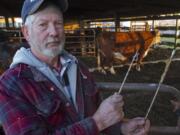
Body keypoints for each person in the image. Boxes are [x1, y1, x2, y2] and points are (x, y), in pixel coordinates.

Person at [0, 0, 150, 135]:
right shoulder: (11, 84)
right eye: (43, 25)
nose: (54, 32)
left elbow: (98, 113)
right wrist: (98, 123)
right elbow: (98, 120)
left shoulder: (79, 68)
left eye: (58, 23)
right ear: (26, 32)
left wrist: (122, 128)